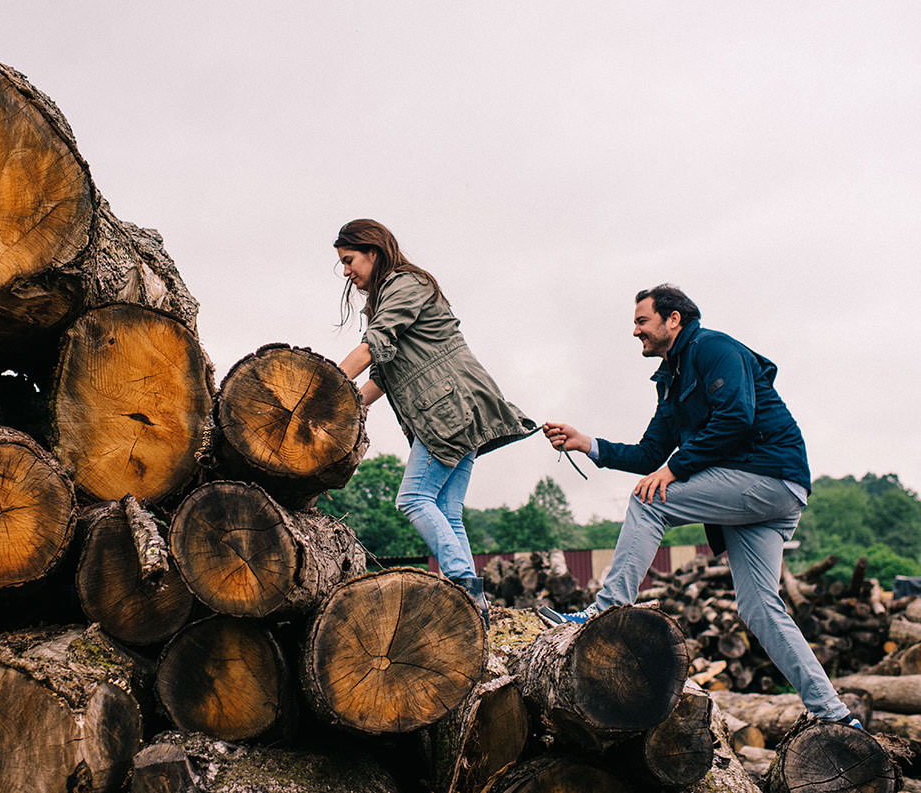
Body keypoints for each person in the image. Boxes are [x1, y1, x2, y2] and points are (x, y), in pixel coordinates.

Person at [541, 284, 859, 727]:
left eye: (641, 321)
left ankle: (604, 612)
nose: (635, 332)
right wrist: (588, 443)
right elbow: (649, 454)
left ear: (674, 319)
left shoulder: (713, 348)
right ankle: (835, 713)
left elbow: (737, 417)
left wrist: (677, 469)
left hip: (768, 476)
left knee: (651, 500)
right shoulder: (670, 381)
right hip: (760, 496)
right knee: (758, 608)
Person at [332, 218, 537, 625]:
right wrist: (348, 403)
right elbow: (382, 376)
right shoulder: (389, 295)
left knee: (412, 499)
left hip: (449, 409)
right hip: (454, 407)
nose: (346, 271)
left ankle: (462, 586)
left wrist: (325, 389)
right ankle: (473, 605)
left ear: (373, 252)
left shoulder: (406, 284)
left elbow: (374, 346)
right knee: (446, 507)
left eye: (350, 260)